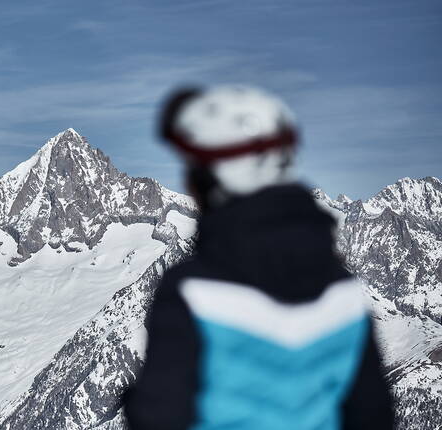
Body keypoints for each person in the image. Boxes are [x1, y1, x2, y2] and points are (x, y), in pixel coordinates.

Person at [124, 86, 394, 429]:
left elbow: (160, 417)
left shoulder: (194, 291)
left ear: (212, 179)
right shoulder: (345, 292)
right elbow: (373, 416)